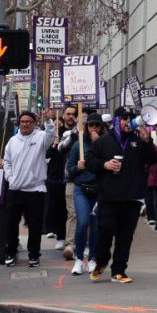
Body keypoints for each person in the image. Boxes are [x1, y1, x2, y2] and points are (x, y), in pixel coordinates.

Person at [86, 108, 157, 283]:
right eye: (124, 119)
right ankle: (101, 262)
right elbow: (90, 161)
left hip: (132, 197)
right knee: (105, 233)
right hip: (109, 197)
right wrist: (105, 164)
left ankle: (118, 270)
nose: (128, 122)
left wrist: (147, 142)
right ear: (117, 121)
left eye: (130, 119)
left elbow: (152, 160)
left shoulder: (138, 140)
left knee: (125, 237)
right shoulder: (103, 141)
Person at [0, 110, 56, 268]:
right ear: (19, 123)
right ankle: (10, 252)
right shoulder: (12, 141)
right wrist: (10, 177)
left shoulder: (40, 137)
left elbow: (51, 134)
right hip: (15, 189)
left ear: (34, 123)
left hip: (35, 190)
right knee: (11, 224)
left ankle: (34, 255)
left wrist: (48, 120)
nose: (25, 124)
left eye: (28, 121)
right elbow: (7, 162)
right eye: (22, 121)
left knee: (35, 225)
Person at [65, 112, 104, 276]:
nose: (94, 128)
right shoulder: (78, 145)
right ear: (86, 127)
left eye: (97, 125)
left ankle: (93, 258)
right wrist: (78, 167)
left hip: (98, 190)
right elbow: (70, 170)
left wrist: (99, 147)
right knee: (83, 222)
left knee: (95, 226)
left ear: (101, 127)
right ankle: (79, 258)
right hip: (81, 188)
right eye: (91, 125)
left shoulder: (106, 143)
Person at [43, 108, 77, 250]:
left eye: (73, 114)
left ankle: (73, 239)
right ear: (63, 116)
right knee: (58, 209)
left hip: (73, 177)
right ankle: (61, 237)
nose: (70, 117)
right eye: (68, 114)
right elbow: (46, 154)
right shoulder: (57, 132)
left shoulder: (79, 133)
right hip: (56, 178)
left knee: (73, 211)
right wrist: (54, 144)